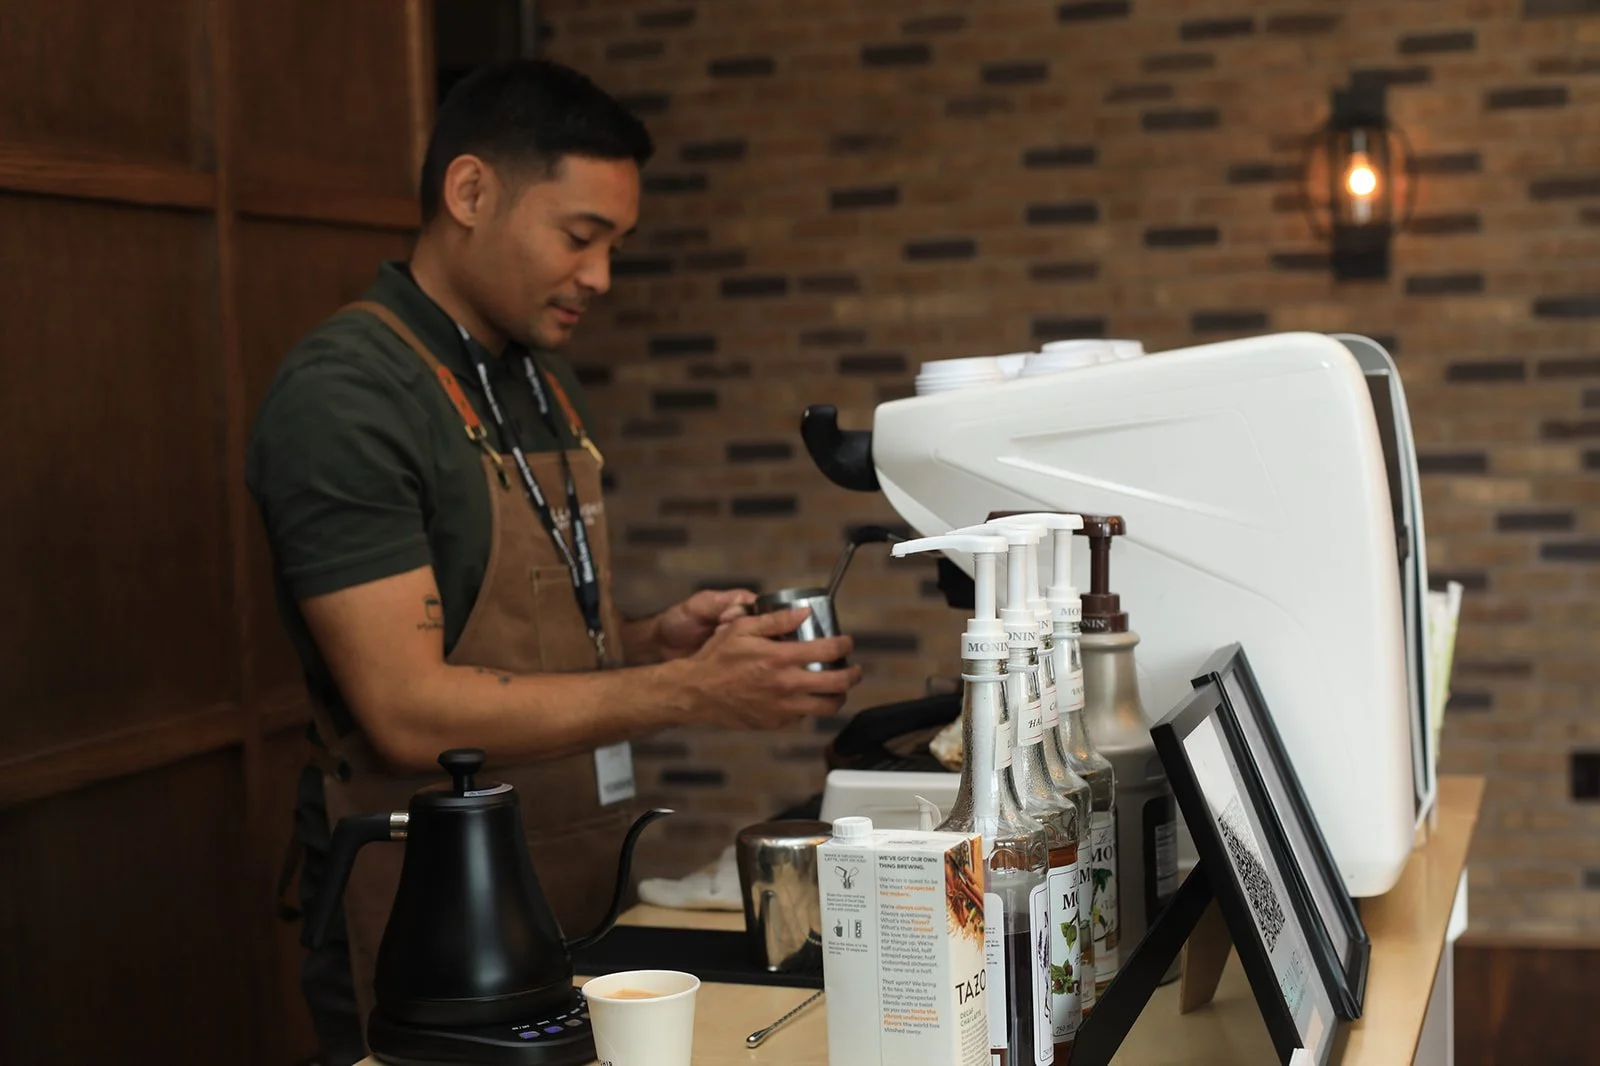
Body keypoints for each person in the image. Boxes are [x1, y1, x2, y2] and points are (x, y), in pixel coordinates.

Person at [246, 58, 862, 1065]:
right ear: (470, 191)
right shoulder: (347, 396)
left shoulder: (534, 376)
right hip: (436, 915)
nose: (600, 278)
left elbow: (509, 630)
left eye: (615, 245)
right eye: (580, 238)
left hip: (570, 877)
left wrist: (645, 640)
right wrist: (683, 690)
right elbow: (407, 705)